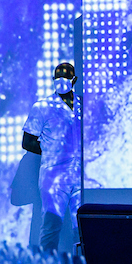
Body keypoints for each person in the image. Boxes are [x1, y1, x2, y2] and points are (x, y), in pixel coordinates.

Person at [22, 62, 80, 252]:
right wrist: (52, 151)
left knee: (82, 226)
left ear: (74, 80)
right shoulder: (42, 107)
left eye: (66, 77)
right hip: (53, 176)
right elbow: (27, 141)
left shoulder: (83, 105)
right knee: (51, 225)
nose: (62, 81)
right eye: (58, 77)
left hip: (80, 175)